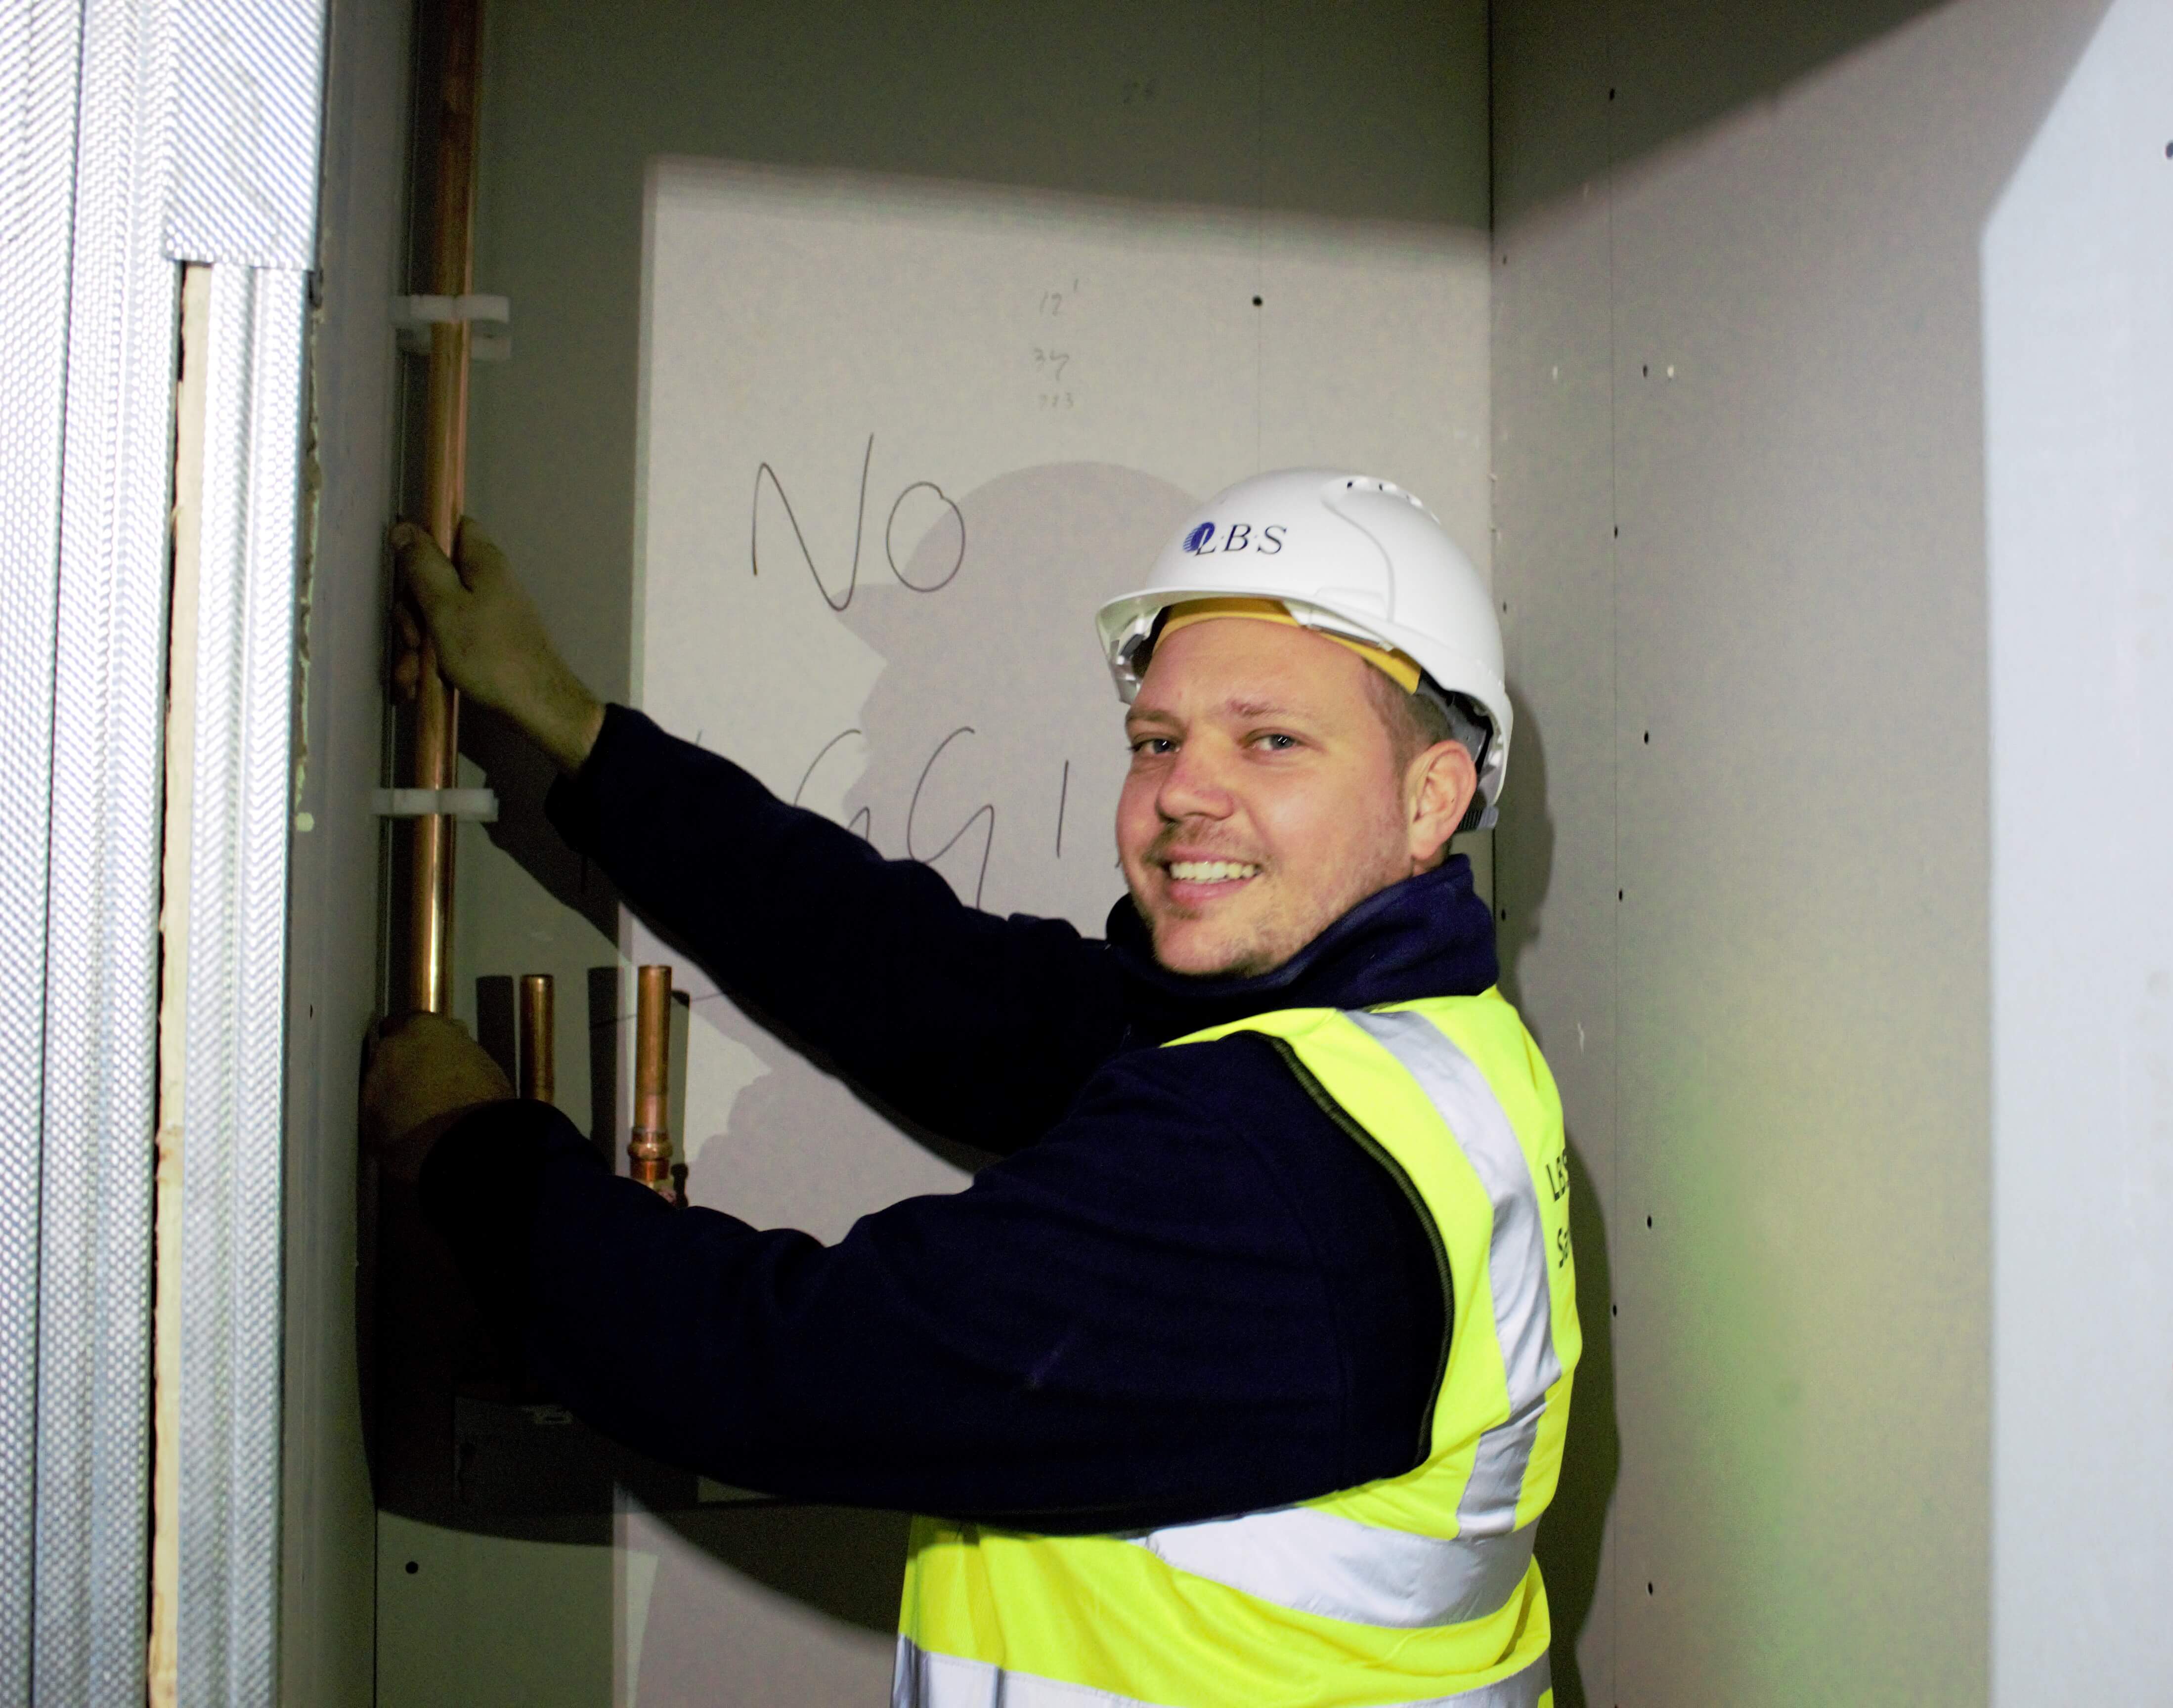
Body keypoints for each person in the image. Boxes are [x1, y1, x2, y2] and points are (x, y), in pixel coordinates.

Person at [367, 468, 1579, 1707]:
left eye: (1273, 740)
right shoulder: (1396, 1040)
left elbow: (776, 1368)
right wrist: (568, 720)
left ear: (1431, 798)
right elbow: (928, 982)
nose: (1182, 794)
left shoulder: (1275, 1176)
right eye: (1158, 740)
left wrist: (470, 1146)